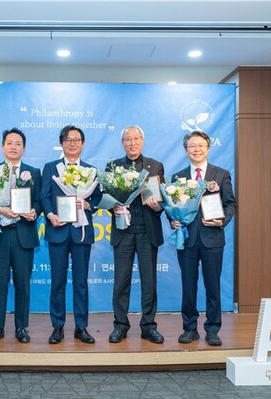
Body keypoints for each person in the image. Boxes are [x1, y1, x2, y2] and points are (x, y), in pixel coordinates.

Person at [171, 131, 236, 346]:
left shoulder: (221, 174)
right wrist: (173, 220)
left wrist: (222, 221)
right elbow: (172, 208)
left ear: (208, 148)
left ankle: (213, 329)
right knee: (188, 286)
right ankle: (189, 328)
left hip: (212, 238)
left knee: (212, 285)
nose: (196, 149)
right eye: (192, 146)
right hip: (187, 238)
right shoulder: (178, 178)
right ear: (186, 150)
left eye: (200, 145)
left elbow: (230, 204)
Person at [40, 125, 103, 344]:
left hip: (81, 233)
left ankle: (81, 327)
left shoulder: (91, 171)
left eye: (76, 140)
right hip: (57, 230)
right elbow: (44, 196)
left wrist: (88, 204)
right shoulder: (50, 168)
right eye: (68, 140)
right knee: (57, 282)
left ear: (83, 144)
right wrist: (49, 215)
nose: (72, 143)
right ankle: (57, 326)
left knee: (80, 282)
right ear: (62, 143)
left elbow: (98, 199)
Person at [0, 128, 41, 344]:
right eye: (9, 143)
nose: (13, 147)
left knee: (23, 284)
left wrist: (34, 212)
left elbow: (39, 201)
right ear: (2, 147)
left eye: (18, 143)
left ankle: (21, 327)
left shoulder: (33, 173)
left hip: (23, 234)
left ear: (23, 148)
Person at [108, 125, 166, 344]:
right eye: (128, 139)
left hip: (147, 232)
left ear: (143, 141)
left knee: (149, 282)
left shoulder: (156, 166)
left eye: (136, 139)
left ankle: (148, 326)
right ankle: (120, 325)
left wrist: (157, 205)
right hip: (123, 232)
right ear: (123, 143)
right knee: (120, 282)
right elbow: (107, 197)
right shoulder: (113, 166)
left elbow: (164, 200)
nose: (132, 143)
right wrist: (113, 206)